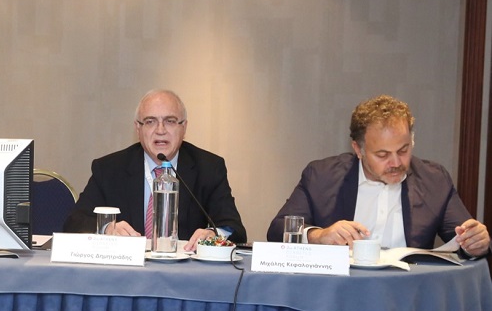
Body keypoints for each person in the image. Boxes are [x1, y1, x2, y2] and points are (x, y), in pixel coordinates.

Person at [267, 94, 490, 257]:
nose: (396, 163)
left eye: (403, 150)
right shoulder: (321, 176)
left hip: (409, 293)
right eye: (382, 154)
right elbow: (278, 230)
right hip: (340, 292)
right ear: (358, 149)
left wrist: (477, 242)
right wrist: (319, 236)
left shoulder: (434, 180)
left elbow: (464, 237)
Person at [63, 89, 247, 251]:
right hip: (127, 271)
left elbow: (234, 229)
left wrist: (213, 234)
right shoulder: (110, 169)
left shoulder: (208, 167)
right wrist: (107, 228)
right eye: (150, 121)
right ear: (138, 128)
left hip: (185, 272)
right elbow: (74, 222)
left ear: (184, 127)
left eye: (170, 121)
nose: (160, 130)